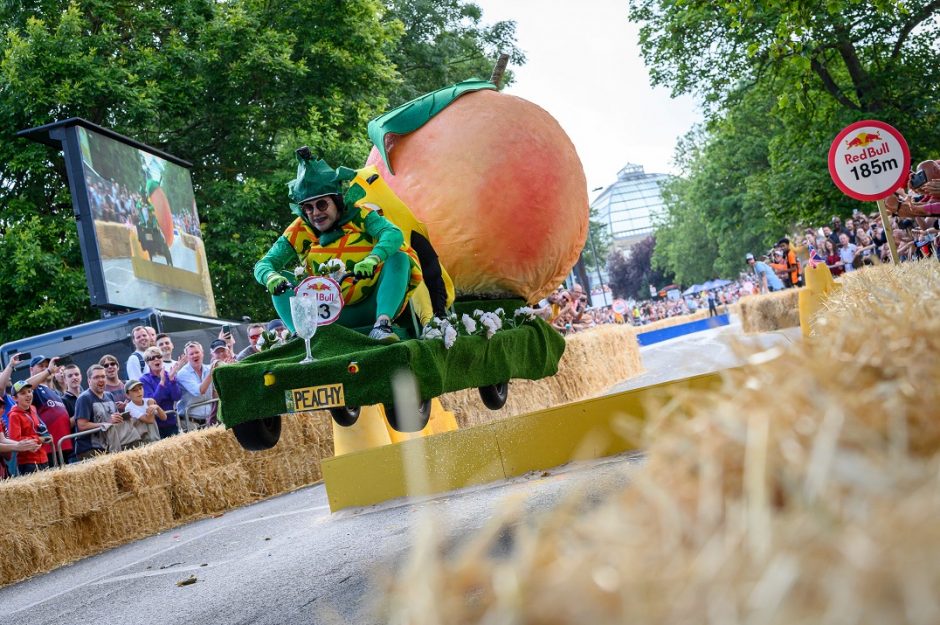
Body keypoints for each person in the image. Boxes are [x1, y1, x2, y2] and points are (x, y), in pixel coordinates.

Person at [254, 151, 424, 343]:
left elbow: (393, 234)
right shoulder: (299, 229)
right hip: (325, 316)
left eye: (321, 204)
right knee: (280, 280)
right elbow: (263, 265)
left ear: (336, 201)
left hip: (371, 305)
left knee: (399, 258)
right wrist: (271, 276)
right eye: (308, 208)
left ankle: (382, 325)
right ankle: (300, 338)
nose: (315, 213)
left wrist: (373, 258)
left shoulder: (360, 215)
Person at [74, 364, 141, 457]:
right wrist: (107, 423)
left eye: (103, 376)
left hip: (110, 445)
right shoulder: (84, 398)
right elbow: (82, 425)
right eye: (96, 377)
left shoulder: (109, 395)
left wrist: (124, 416)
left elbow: (114, 419)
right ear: (89, 381)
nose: (101, 379)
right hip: (91, 449)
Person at [27, 356, 73, 465]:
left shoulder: (56, 393)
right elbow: (23, 386)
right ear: (31, 370)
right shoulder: (34, 390)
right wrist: (48, 371)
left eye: (47, 366)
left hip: (64, 446)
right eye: (41, 366)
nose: (45, 368)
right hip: (49, 449)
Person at [139, 346, 184, 439]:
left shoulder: (169, 374)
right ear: (147, 363)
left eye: (159, 356)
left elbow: (177, 397)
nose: (156, 359)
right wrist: (162, 383)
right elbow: (153, 402)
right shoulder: (144, 379)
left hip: (171, 422)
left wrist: (172, 380)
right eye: (152, 358)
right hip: (155, 425)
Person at [6, 381, 50, 474]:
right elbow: (15, 440)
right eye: (23, 393)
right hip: (28, 461)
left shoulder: (33, 408)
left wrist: (46, 436)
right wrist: (38, 439)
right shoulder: (14, 415)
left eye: (29, 391)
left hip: (43, 457)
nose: (28, 395)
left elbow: (37, 429)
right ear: (14, 398)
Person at [176, 341, 215, 429]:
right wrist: (212, 373)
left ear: (202, 353)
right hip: (190, 422)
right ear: (187, 357)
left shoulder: (209, 368)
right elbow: (200, 391)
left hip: (209, 420)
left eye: (197, 352)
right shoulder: (183, 373)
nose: (194, 355)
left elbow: (216, 392)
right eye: (191, 354)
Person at [122, 379, 162, 443]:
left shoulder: (148, 401)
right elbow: (150, 420)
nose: (139, 392)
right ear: (127, 395)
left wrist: (157, 407)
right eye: (134, 390)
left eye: (140, 388)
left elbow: (164, 417)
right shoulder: (129, 407)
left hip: (156, 438)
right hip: (142, 443)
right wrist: (151, 405)